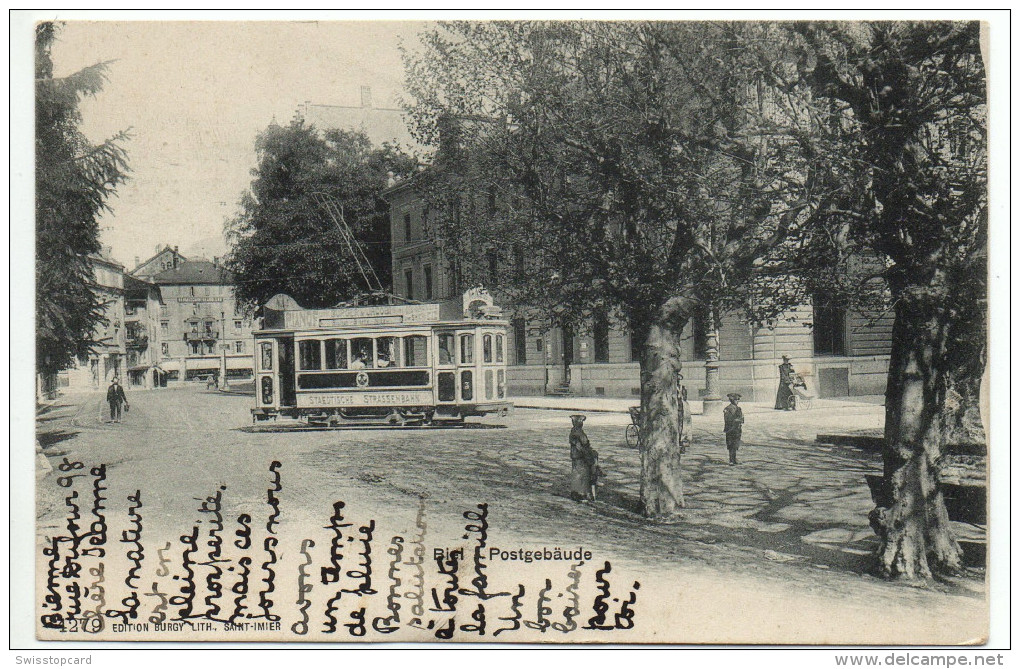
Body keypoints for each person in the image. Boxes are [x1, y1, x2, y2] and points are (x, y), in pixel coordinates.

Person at [568, 414, 600, 502]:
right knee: (580, 475)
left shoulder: (575, 431)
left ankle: (578, 493)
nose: (581, 423)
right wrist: (588, 455)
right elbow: (582, 446)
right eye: (580, 421)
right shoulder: (577, 433)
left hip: (577, 456)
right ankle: (579, 494)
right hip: (579, 457)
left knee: (579, 475)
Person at [723, 393, 744, 465]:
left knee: (736, 444)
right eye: (736, 400)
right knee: (730, 444)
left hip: (737, 429)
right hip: (730, 429)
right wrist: (736, 420)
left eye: (738, 400)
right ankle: (731, 460)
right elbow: (727, 419)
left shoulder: (739, 408)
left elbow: (742, 419)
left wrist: (739, 420)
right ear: (732, 400)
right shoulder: (727, 409)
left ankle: (734, 459)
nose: (738, 401)